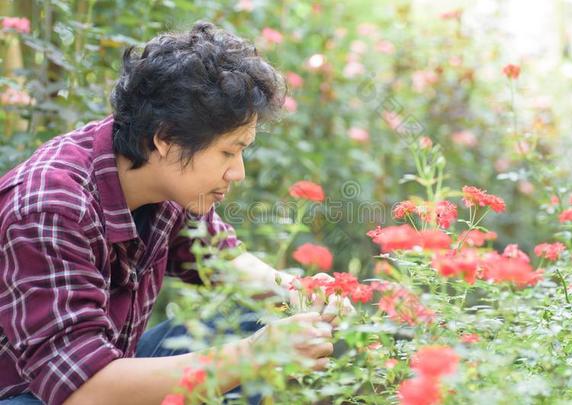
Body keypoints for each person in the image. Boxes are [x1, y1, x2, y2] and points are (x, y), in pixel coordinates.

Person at [0, 21, 351, 405]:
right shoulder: (51, 206)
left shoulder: (162, 177)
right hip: (35, 393)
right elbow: (82, 389)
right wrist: (257, 353)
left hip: (108, 371)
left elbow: (226, 261)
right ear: (165, 139)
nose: (238, 172)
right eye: (228, 152)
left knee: (266, 319)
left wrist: (301, 294)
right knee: (251, 351)